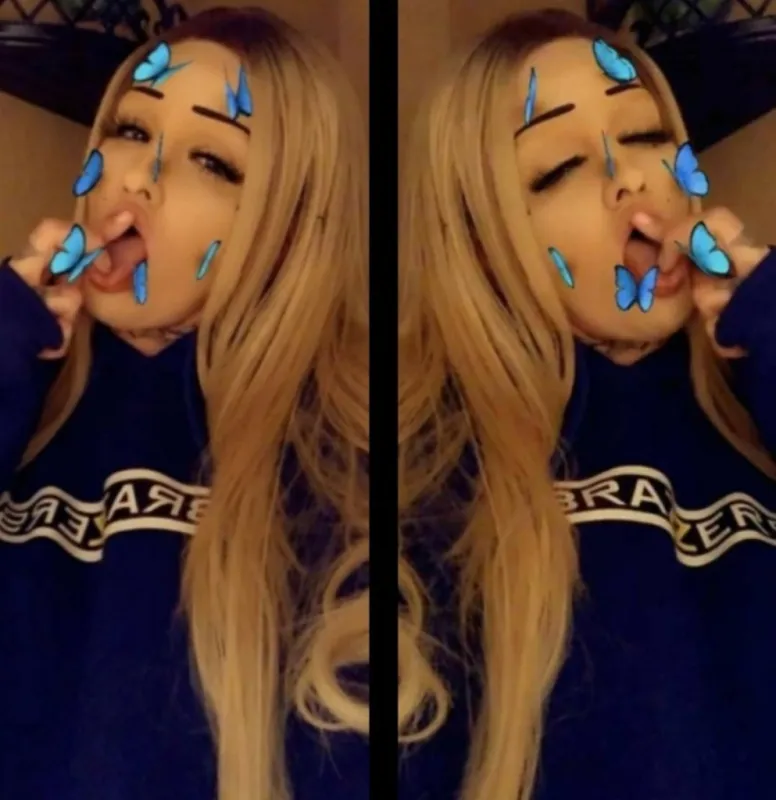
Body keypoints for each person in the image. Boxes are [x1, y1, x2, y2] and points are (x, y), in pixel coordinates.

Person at [398, 8, 776, 800]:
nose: (630, 176)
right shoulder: (422, 473)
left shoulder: (755, 391)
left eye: (645, 136)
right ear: (478, 241)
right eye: (558, 168)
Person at [0, 6, 369, 800]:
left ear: (291, 227)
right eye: (131, 130)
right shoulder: (21, 384)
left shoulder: (352, 461)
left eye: (213, 160)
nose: (136, 175)